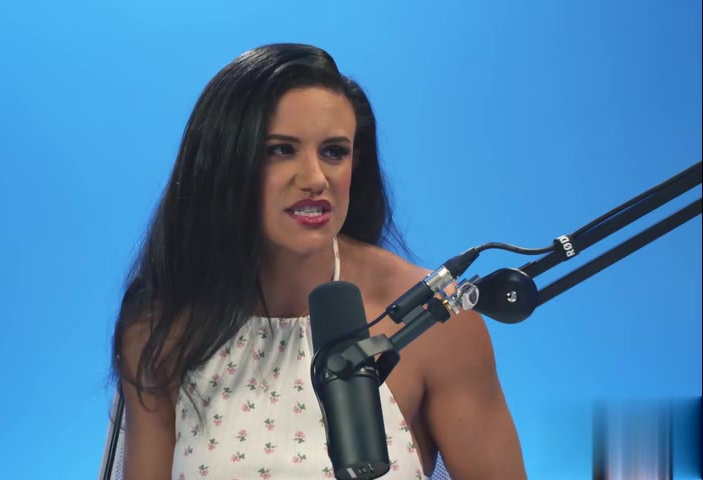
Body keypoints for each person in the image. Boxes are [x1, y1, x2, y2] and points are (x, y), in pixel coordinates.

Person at [111, 43, 527, 479]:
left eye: (333, 152)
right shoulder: (159, 328)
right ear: (223, 164)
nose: (314, 179)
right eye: (281, 150)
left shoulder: (434, 320)